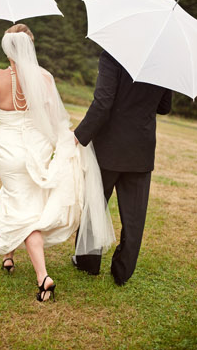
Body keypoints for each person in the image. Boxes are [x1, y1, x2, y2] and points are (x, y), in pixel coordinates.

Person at [0, 23, 113, 302]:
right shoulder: (45, 79)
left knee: (21, 207)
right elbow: (53, 120)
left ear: (7, 48)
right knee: (20, 201)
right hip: (36, 154)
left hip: (10, 155)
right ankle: (9, 255)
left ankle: (42, 276)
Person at [73, 51, 172, 285]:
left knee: (95, 203)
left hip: (109, 146)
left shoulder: (112, 54)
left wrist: (79, 135)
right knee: (135, 216)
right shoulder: (162, 61)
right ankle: (123, 271)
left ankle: (88, 262)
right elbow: (165, 106)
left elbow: (103, 102)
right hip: (141, 149)